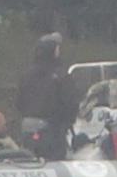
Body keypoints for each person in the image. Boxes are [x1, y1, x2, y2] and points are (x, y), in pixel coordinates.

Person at [17, 32, 80, 160]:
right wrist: (68, 121)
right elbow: (70, 105)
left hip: (28, 130)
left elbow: (19, 103)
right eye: (57, 48)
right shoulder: (62, 77)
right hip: (53, 134)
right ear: (54, 52)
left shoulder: (25, 76)